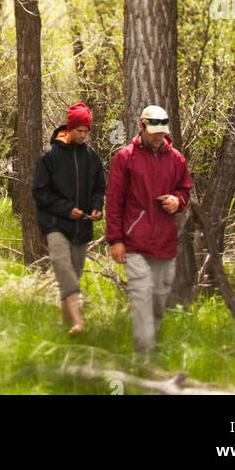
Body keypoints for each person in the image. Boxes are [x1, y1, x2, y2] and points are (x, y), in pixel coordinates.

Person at [105, 104, 192, 356]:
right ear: (141, 127)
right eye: (154, 132)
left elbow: (184, 190)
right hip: (134, 242)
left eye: (163, 132)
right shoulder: (124, 158)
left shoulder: (177, 159)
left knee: (159, 295)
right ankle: (145, 354)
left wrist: (178, 201)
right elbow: (113, 201)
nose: (159, 137)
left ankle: (150, 340)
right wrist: (115, 240)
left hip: (165, 242)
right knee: (142, 292)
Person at [33, 103, 106, 335]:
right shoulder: (51, 155)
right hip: (55, 224)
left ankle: (65, 327)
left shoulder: (92, 157)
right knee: (64, 270)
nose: (83, 136)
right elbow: (40, 191)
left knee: (74, 274)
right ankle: (79, 323)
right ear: (70, 128)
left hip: (81, 227)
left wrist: (96, 208)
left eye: (86, 131)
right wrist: (66, 209)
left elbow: (99, 187)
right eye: (79, 131)